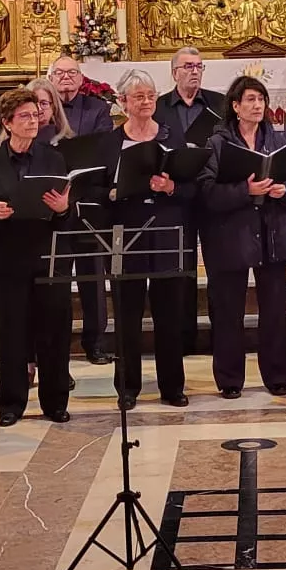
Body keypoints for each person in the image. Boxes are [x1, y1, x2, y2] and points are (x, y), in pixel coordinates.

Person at [0, 87, 77, 425]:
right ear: (7, 122)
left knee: (54, 331)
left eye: (36, 115)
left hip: (48, 254)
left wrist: (63, 208)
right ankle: (11, 404)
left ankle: (55, 401)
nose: (33, 121)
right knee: (13, 332)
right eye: (25, 117)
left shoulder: (53, 158)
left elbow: (65, 214)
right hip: (7, 256)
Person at [198, 75, 286, 397]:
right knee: (229, 312)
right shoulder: (217, 144)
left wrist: (283, 189)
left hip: (271, 235)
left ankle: (277, 376)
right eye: (250, 99)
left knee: (275, 311)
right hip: (230, 239)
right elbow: (206, 193)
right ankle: (230, 380)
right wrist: (245, 190)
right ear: (235, 106)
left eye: (261, 99)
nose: (257, 105)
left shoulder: (278, 141)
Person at [105, 70, 193, 408]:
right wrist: (112, 192)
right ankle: (127, 387)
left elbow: (191, 184)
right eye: (138, 96)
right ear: (123, 102)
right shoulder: (110, 142)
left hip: (166, 231)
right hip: (125, 234)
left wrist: (170, 187)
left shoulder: (172, 136)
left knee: (169, 314)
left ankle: (172, 386)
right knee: (127, 316)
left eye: (150, 96)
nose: (146, 102)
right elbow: (97, 188)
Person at [157, 46, 227, 356]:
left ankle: (219, 336)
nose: (194, 71)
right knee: (181, 271)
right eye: (187, 66)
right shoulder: (158, 107)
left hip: (212, 194)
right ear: (174, 73)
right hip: (174, 197)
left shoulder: (219, 104)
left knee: (219, 269)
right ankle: (184, 337)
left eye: (199, 66)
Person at [50, 55, 115, 364]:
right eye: (59, 73)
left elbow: (103, 149)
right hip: (52, 204)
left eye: (72, 72)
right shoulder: (42, 109)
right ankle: (57, 343)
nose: (66, 77)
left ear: (81, 78)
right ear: (50, 78)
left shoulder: (97, 108)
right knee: (58, 278)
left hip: (88, 201)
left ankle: (96, 342)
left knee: (93, 276)